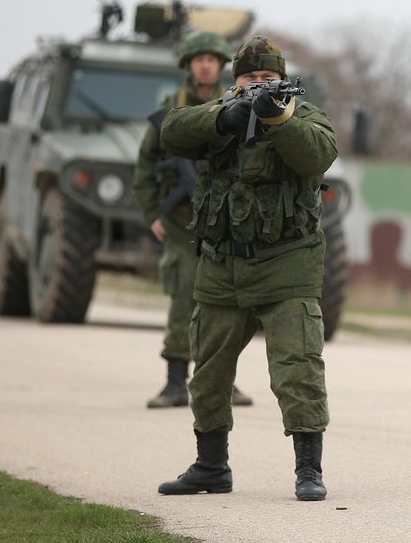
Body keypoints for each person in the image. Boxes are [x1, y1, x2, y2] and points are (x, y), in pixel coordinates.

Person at [156, 36, 337, 501]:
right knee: (209, 372)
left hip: (287, 265)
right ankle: (211, 466)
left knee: (297, 369)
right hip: (221, 267)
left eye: (268, 79)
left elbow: (318, 153)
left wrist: (277, 117)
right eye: (250, 79)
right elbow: (171, 132)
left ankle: (308, 470)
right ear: (233, 82)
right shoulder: (218, 113)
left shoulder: (304, 115)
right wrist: (224, 116)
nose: (259, 85)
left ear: (282, 80)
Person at [134, 30, 254, 409]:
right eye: (198, 59)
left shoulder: (237, 103)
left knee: (227, 303)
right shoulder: (171, 109)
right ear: (189, 65)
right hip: (181, 221)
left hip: (225, 221)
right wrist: (154, 213)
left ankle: (221, 380)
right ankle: (174, 381)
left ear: (220, 65)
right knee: (184, 295)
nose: (205, 65)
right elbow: (144, 167)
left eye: (211, 59)